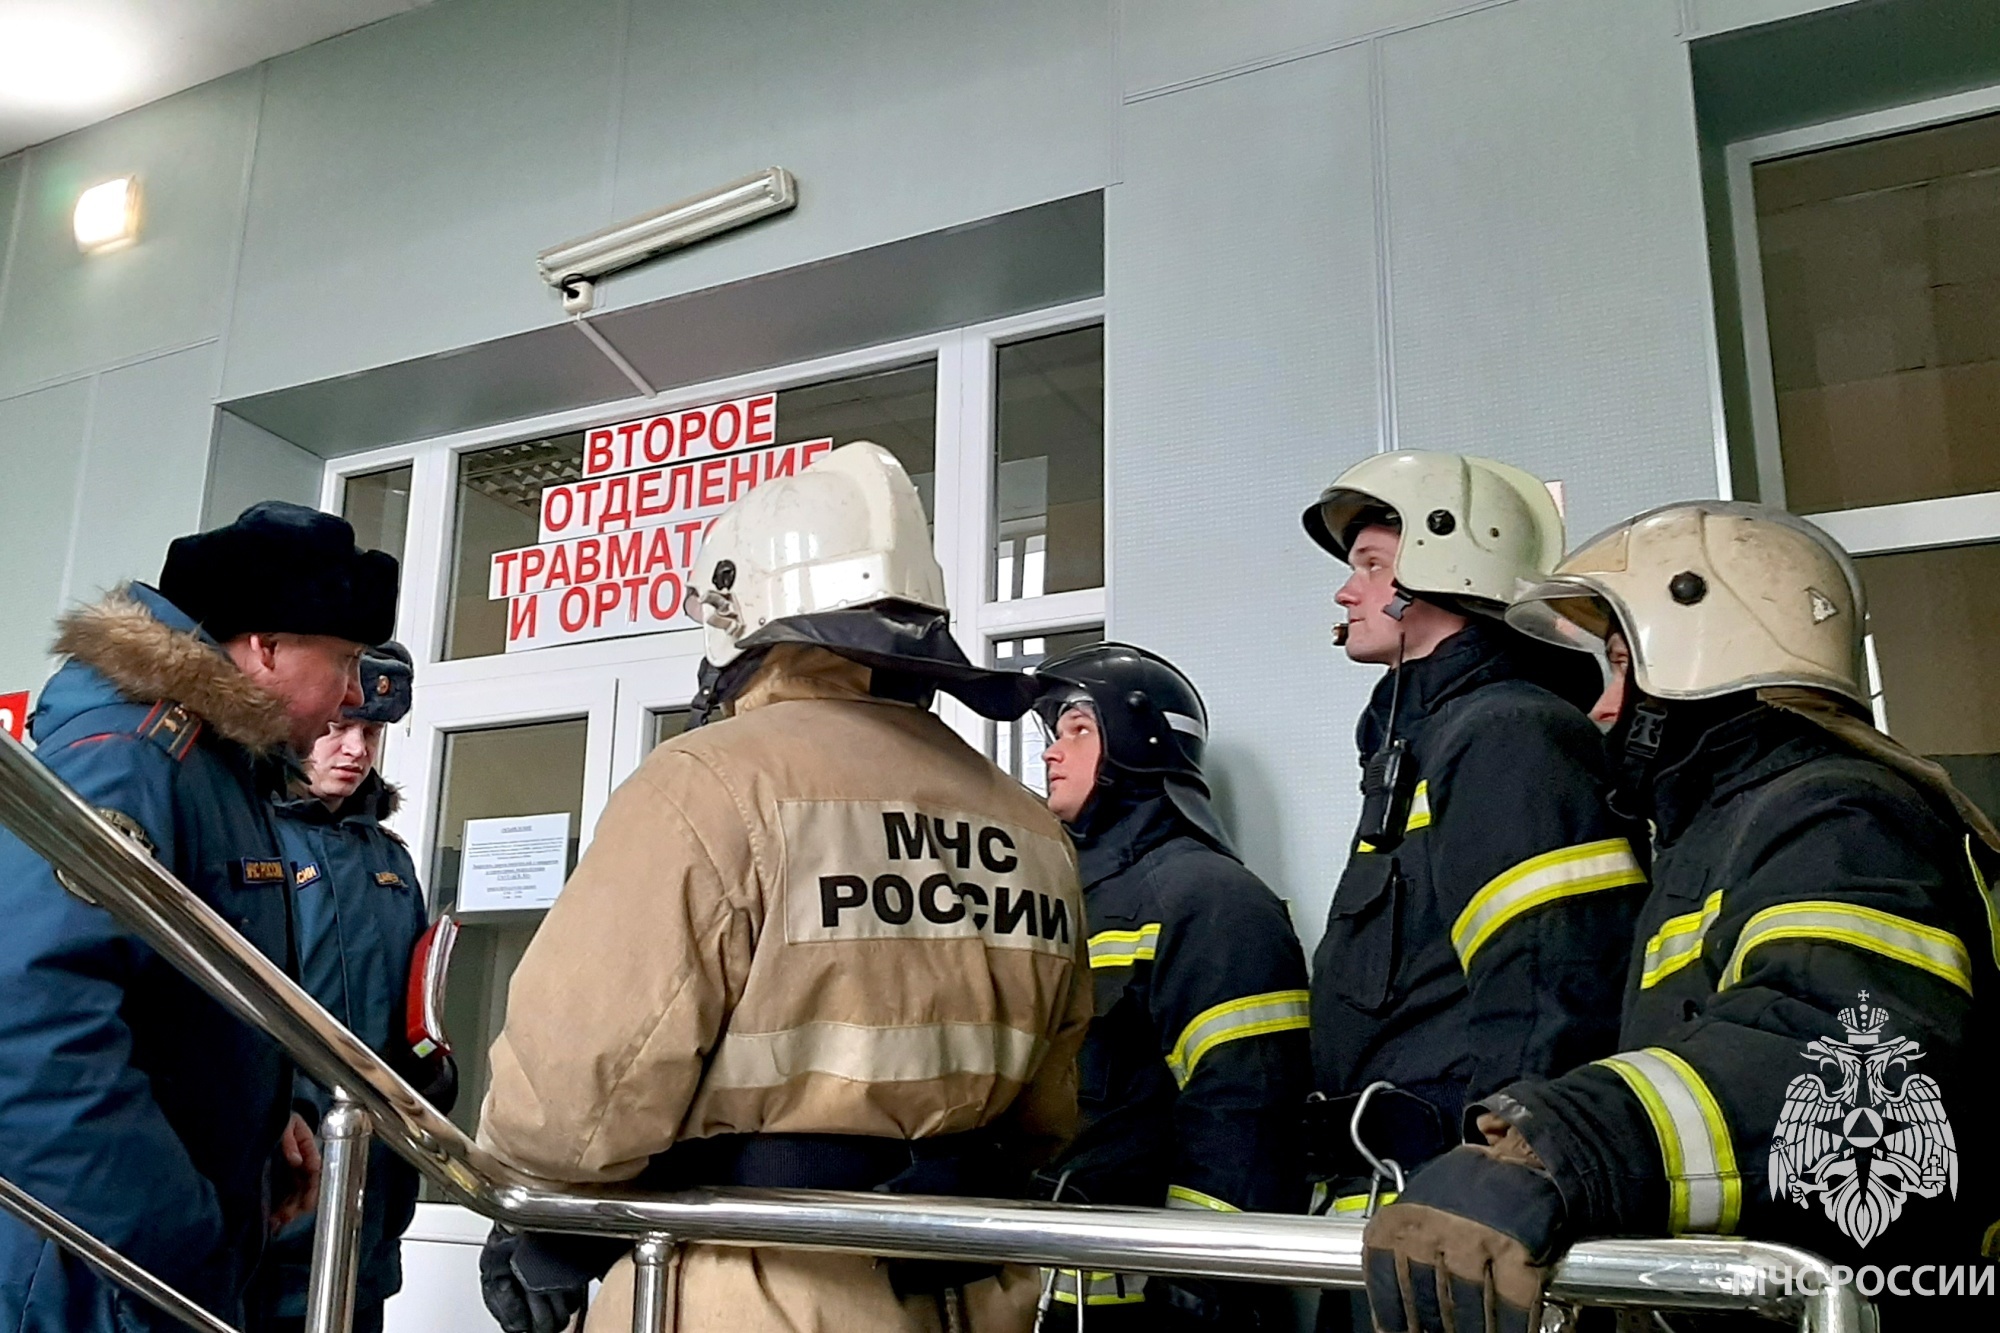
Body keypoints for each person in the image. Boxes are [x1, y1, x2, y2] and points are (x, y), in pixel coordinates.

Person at [474, 442, 1093, 1333]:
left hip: (755, 1284)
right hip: (975, 1288)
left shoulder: (708, 786)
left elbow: (575, 1102)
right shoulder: (1031, 825)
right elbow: (1045, 1112)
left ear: (745, 616)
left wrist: (540, 1213)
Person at [1363, 501, 2000, 1331]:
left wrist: (1550, 1147)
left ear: (1705, 657)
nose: (1599, 709)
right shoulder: (1732, 829)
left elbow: (1832, 1044)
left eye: (1621, 667)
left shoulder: (1838, 813)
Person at [0, 502, 398, 1333]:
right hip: (93, 1276)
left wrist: (265, 1118)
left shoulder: (221, 772)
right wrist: (170, 1233)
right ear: (268, 646)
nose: (353, 697)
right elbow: (28, 1027)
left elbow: (177, 1002)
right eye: (347, 661)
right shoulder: (135, 762)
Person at [1299, 452, 1643, 1225]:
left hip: (1459, 1209)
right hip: (1399, 1197)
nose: (1346, 590)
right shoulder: (1423, 741)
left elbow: (1549, 990)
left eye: (1373, 565)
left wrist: (1500, 1181)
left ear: (1445, 565)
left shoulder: (1508, 734)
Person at [1031, 643, 1311, 1329]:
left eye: (1078, 730)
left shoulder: (1214, 901)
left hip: (1146, 1307)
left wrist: (1201, 1290)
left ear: (1137, 741)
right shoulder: (1059, 900)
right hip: (1045, 1289)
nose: (1050, 754)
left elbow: (1246, 1112)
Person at [257, 643, 457, 1333]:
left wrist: (433, 1072)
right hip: (279, 1176)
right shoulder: (253, 837)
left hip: (372, 1187)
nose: (354, 748)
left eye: (370, 732)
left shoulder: (392, 860)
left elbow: (411, 1002)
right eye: (339, 727)